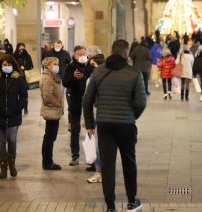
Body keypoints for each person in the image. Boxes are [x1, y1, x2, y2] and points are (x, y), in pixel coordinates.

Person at [83, 39, 146, 212]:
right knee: (129, 162)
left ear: (111, 52)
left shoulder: (98, 72)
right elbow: (141, 102)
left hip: (104, 125)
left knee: (108, 166)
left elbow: (86, 100)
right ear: (126, 54)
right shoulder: (134, 73)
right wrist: (132, 116)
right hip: (126, 125)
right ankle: (132, 202)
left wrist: (89, 124)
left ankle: (110, 206)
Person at [0, 54, 28, 179]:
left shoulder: (18, 79)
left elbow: (24, 96)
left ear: (13, 66)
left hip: (14, 117)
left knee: (12, 141)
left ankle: (12, 164)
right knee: (1, 143)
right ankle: (3, 168)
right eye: (4, 65)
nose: (6, 67)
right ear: (0, 66)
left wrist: (17, 108)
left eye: (9, 65)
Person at [62, 46, 95, 166]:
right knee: (75, 131)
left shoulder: (90, 65)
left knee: (90, 129)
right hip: (75, 101)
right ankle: (75, 156)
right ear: (75, 55)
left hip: (89, 102)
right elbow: (65, 82)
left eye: (84, 53)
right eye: (79, 54)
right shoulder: (71, 67)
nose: (82, 56)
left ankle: (91, 157)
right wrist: (73, 77)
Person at [86, 53, 106, 183]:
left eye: (93, 65)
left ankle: (100, 172)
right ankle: (100, 171)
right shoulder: (93, 78)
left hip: (102, 115)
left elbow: (87, 102)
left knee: (100, 145)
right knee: (97, 144)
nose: (91, 67)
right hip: (100, 114)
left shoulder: (98, 78)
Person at [40, 57, 63, 170]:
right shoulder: (47, 78)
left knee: (50, 136)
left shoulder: (52, 77)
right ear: (48, 65)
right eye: (54, 64)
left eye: (57, 64)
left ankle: (48, 161)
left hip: (54, 110)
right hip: (52, 110)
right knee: (49, 137)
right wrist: (58, 103)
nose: (56, 66)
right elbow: (47, 96)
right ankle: (47, 162)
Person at [13, 43, 33, 115]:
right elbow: (12, 65)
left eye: (23, 47)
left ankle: (25, 108)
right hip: (16, 77)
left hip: (25, 78)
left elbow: (31, 66)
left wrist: (25, 67)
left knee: (24, 94)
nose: (21, 49)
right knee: (15, 93)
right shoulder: (14, 56)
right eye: (20, 47)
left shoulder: (27, 56)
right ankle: (16, 108)